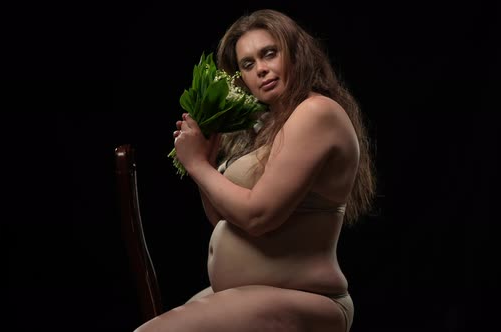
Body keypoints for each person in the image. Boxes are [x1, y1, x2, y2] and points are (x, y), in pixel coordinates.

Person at [135, 8, 375, 332]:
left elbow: (259, 217)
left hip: (305, 298)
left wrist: (196, 164)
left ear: (294, 53)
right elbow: (222, 218)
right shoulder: (266, 128)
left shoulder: (316, 112)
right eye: (248, 64)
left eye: (269, 54)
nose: (261, 69)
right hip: (254, 295)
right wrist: (204, 163)